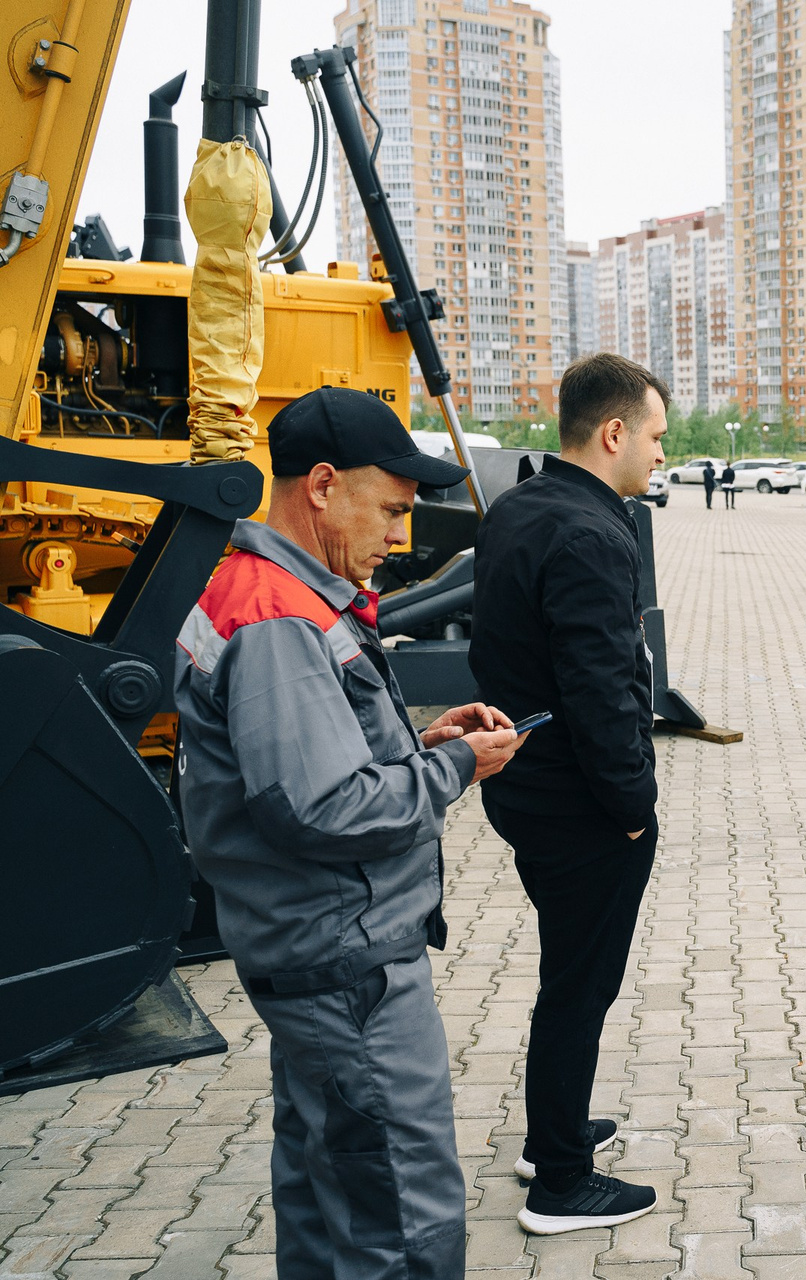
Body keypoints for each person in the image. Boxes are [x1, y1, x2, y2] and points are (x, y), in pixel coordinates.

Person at [174, 386, 525, 1279]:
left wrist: (423, 742)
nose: (401, 536)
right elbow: (319, 808)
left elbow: (309, 766)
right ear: (324, 486)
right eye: (394, 510)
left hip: (313, 957)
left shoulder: (273, 595)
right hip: (347, 971)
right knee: (400, 1216)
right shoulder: (280, 618)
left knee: (326, 1189)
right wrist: (454, 769)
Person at [469, 353, 671, 1235]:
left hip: (526, 789)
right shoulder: (592, 532)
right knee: (580, 988)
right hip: (581, 805)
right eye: (656, 437)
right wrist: (633, 810)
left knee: (568, 974)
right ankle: (559, 1180)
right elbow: (602, 692)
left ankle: (554, 1130)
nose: (661, 454)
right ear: (614, 432)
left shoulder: (520, 507)